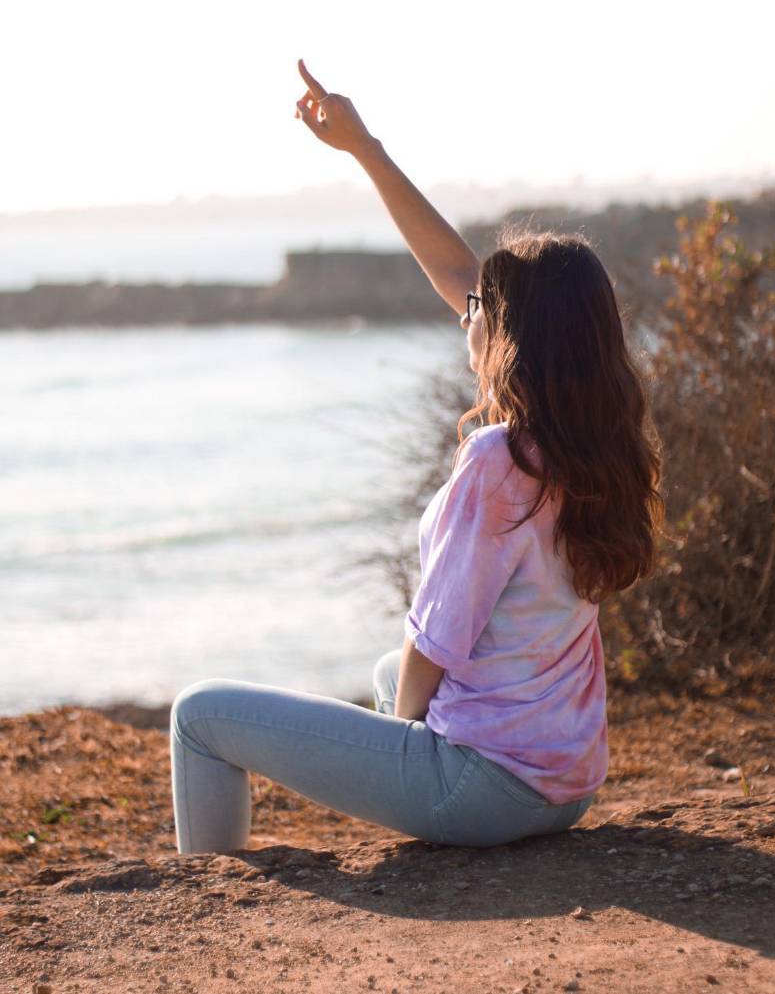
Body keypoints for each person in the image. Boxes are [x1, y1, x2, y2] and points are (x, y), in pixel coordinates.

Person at [169, 59, 664, 852]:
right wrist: (365, 149)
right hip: (562, 781)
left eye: (483, 310)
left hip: (483, 786)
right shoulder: (588, 439)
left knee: (199, 715)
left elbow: (435, 641)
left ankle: (200, 913)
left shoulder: (502, 462)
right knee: (381, 670)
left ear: (511, 339)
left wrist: (400, 751)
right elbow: (458, 271)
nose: (466, 311)